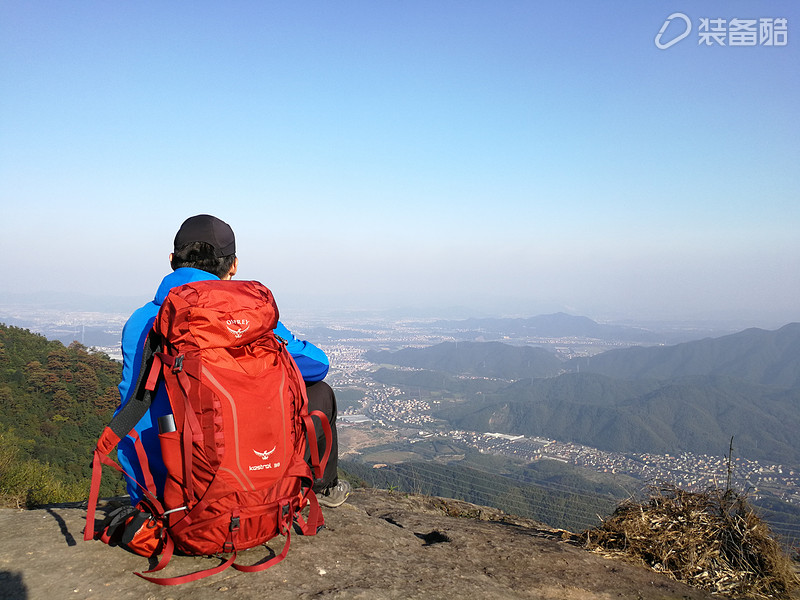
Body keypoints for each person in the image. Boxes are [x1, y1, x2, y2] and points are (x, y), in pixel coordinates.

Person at [115, 214, 349, 509]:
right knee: (320, 392)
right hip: (230, 486)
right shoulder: (245, 315)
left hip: (154, 489)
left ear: (172, 259)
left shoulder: (139, 321)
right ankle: (320, 488)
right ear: (234, 265)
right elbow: (318, 364)